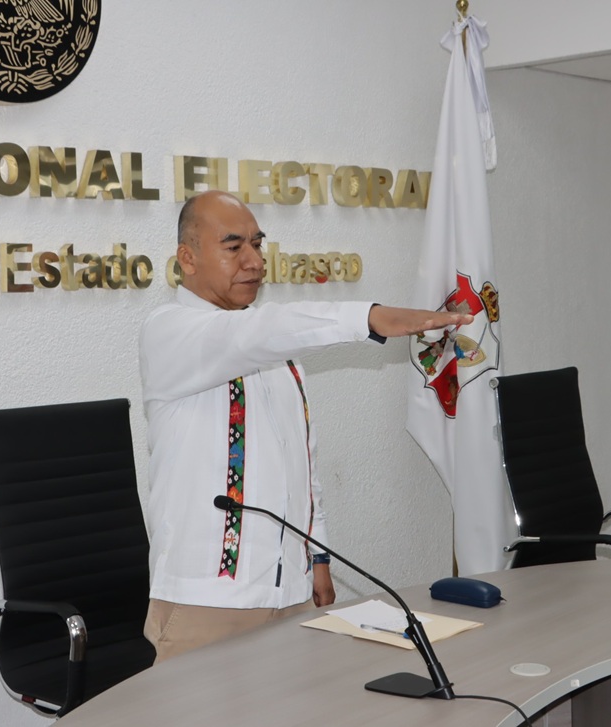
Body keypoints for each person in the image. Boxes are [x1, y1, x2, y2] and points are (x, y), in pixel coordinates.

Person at [139, 191, 471, 662]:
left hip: (288, 591)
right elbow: (258, 334)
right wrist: (370, 318)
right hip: (208, 601)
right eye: (234, 247)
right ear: (186, 259)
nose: (254, 261)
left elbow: (302, 459)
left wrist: (317, 556)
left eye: (258, 243)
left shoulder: (275, 348)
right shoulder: (170, 331)